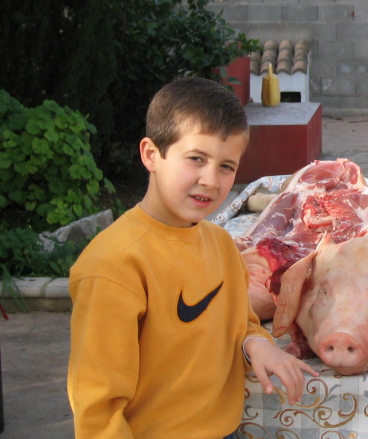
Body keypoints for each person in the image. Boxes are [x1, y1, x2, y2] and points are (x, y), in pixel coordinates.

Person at [67, 77, 318, 438]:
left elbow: (241, 323)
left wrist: (258, 345)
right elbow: (97, 408)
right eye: (196, 159)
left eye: (226, 166)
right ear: (151, 155)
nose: (210, 181)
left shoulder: (222, 246)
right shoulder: (114, 265)